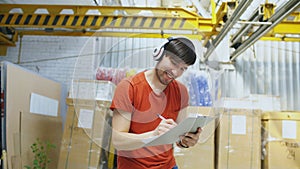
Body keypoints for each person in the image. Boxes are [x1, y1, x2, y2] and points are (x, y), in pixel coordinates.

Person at [110, 37, 202, 169]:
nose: (176, 72)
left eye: (183, 68)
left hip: (168, 165)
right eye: (174, 63)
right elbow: (118, 141)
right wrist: (153, 135)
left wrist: (186, 141)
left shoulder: (181, 91)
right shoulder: (129, 87)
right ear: (159, 54)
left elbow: (178, 137)